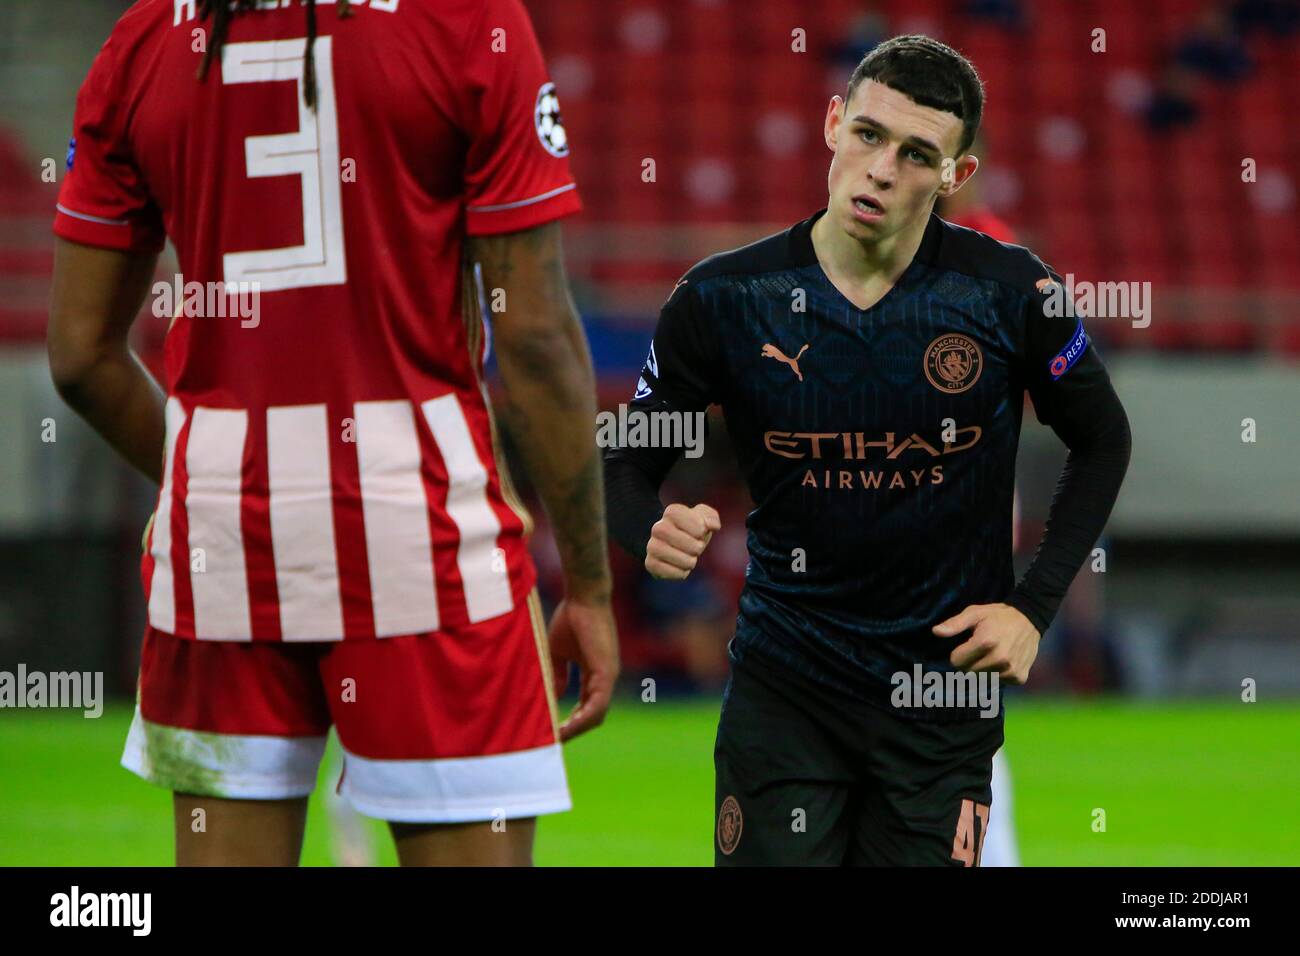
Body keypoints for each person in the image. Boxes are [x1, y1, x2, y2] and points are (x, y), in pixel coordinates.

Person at [47, 0, 617, 867]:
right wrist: (590, 586)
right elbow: (535, 337)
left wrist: (213, 471)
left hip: (223, 546)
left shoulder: (146, 38)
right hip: (420, 528)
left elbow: (81, 357)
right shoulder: (466, 19)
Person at [604, 35, 1131, 866]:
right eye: (869, 135)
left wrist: (1034, 610)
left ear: (956, 176)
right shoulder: (724, 298)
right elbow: (624, 459)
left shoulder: (1009, 293)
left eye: (918, 153)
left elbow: (1104, 438)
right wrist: (646, 525)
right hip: (784, 695)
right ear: (832, 123)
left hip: (939, 702)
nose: (883, 168)